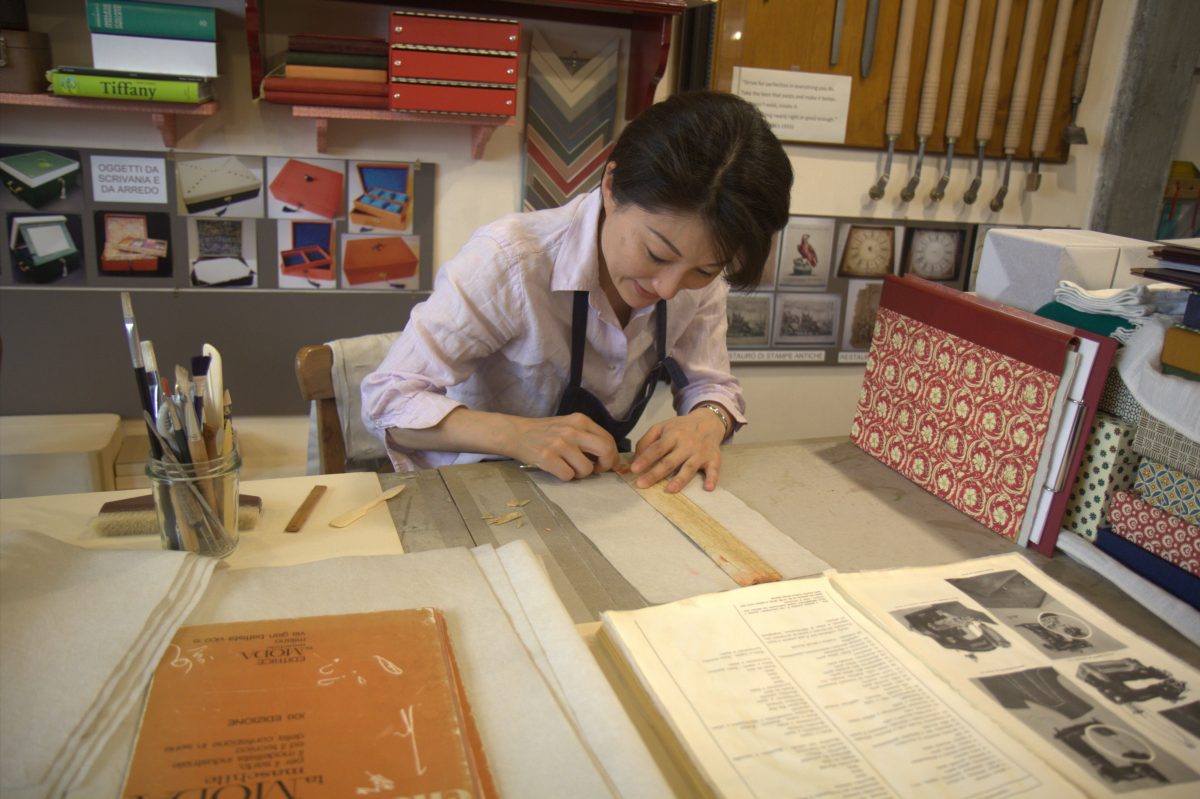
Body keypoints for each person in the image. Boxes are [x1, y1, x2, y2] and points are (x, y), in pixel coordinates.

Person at [361, 90, 793, 493]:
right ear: (612, 187)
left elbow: (711, 383)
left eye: (704, 270)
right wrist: (516, 434)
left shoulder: (696, 278)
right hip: (478, 487)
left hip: (591, 488)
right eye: (656, 254)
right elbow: (386, 400)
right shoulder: (510, 260)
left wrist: (708, 421)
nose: (668, 288)